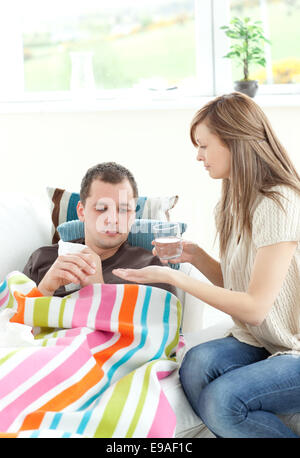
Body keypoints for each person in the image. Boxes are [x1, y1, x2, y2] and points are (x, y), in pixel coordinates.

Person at [113, 92, 300, 438]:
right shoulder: (232, 202)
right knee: (196, 365)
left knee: (222, 400)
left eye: (204, 145)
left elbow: (256, 307)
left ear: (234, 141)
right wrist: (196, 256)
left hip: (294, 345)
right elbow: (240, 287)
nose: (198, 156)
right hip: (266, 340)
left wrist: (174, 277)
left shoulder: (279, 202)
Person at [23, 162, 176, 297]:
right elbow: (8, 325)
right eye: (102, 209)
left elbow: (160, 327)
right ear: (82, 212)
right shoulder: (42, 258)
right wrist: (44, 290)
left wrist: (98, 291)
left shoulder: (153, 270)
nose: (112, 219)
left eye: (123, 210)